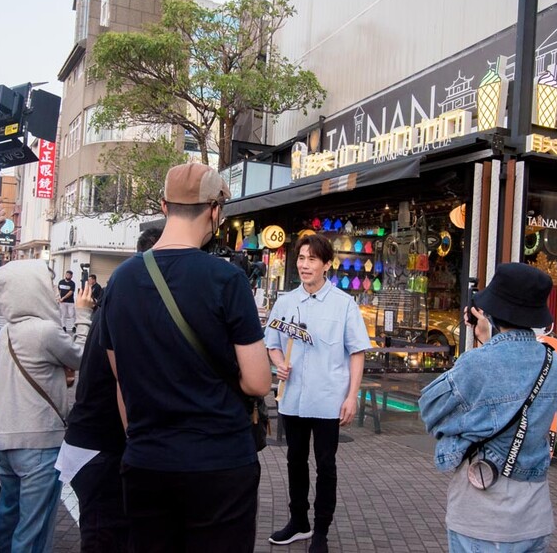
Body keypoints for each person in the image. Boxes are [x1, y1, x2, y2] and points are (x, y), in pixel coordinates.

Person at [101, 163, 271, 552]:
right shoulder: (227, 280)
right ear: (215, 211)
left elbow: (121, 380)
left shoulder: (121, 282)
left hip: (146, 461)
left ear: (164, 206)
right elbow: (259, 381)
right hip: (219, 463)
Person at [419, 263, 557, 553]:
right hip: (535, 516)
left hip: (483, 517)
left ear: (492, 312)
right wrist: (490, 339)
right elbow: (512, 376)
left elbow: (430, 409)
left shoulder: (477, 362)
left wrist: (482, 345)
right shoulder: (554, 363)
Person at [56, 227, 162, 553]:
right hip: (102, 449)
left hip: (96, 446)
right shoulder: (129, 307)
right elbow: (126, 384)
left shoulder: (122, 300)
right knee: (106, 539)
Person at [265, 233, 371, 553]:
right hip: (293, 397)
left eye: (312, 259)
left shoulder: (344, 304)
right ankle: (299, 522)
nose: (305, 265)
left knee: (326, 464)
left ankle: (321, 529)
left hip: (328, 399)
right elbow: (272, 343)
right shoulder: (285, 302)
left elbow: (357, 352)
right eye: (301, 258)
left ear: (327, 264)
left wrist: (351, 396)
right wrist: (280, 363)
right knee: (294, 460)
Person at [0, 260, 93, 553]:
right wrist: (84, 316)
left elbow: (33, 378)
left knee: (8, 524)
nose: (51, 289)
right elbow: (84, 357)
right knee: (33, 532)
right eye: (47, 284)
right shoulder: (45, 332)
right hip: (39, 442)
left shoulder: (8, 331)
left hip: (6, 443)